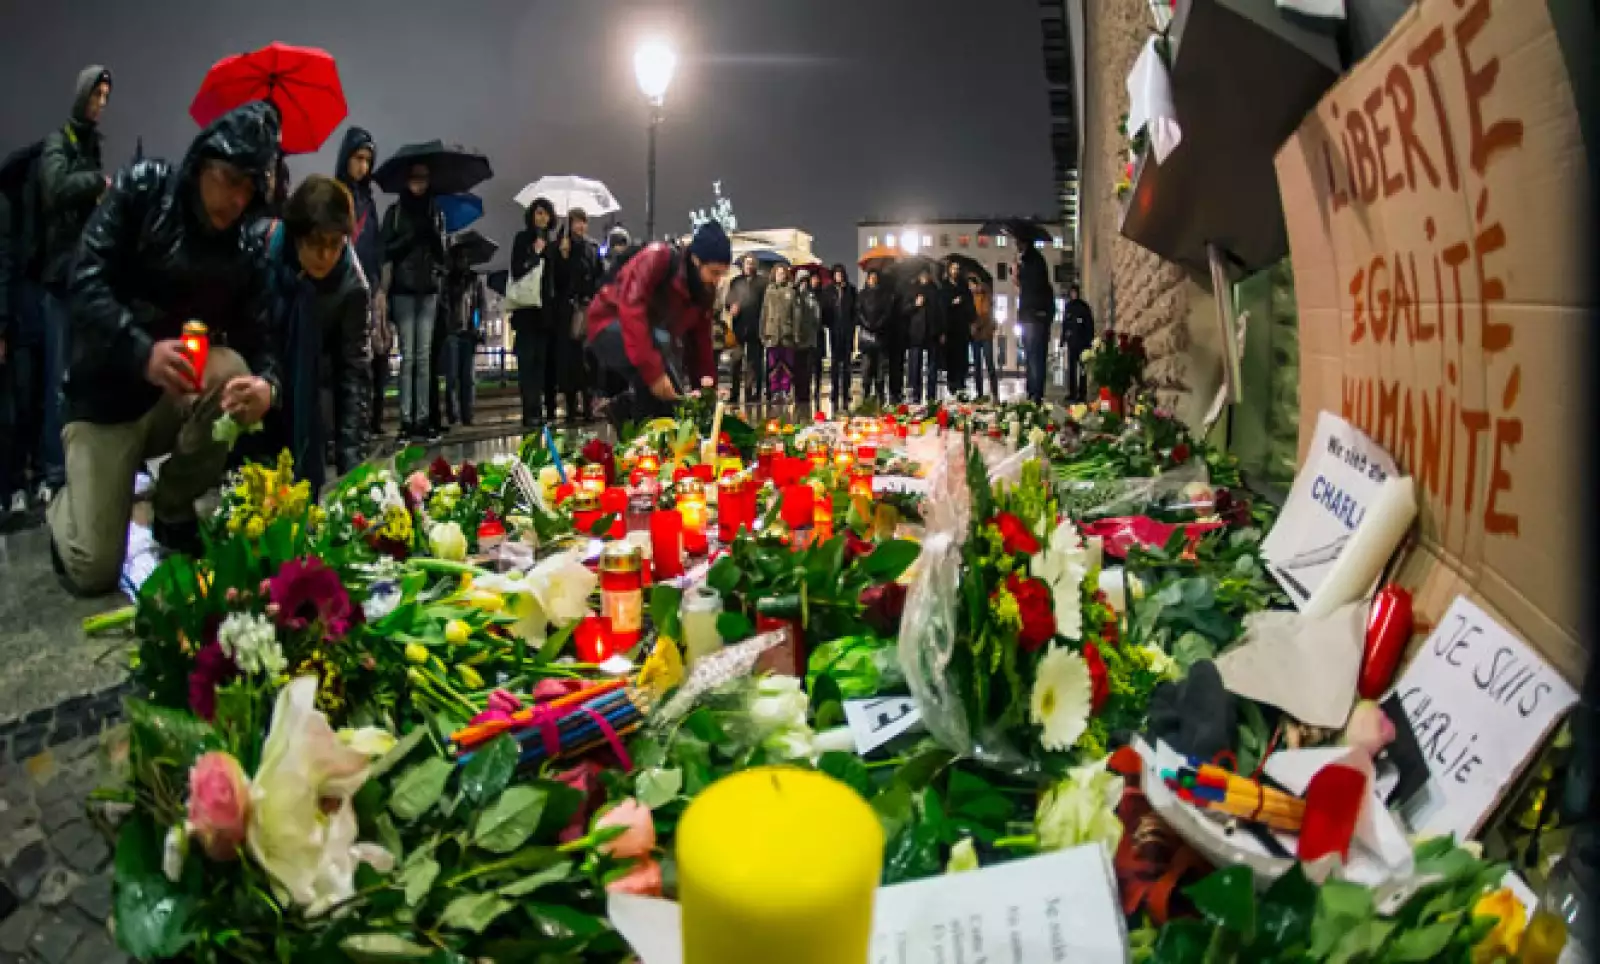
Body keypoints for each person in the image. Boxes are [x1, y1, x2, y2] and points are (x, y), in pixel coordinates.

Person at [48, 102, 281, 596]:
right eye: (226, 178)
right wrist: (141, 352)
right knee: (92, 570)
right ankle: (64, 506)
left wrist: (267, 386)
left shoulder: (243, 249)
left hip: (170, 399)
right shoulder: (142, 189)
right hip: (104, 400)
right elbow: (84, 281)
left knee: (234, 372)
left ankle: (173, 506)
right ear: (201, 163)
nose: (235, 199)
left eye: (248, 187)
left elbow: (262, 338)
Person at [256, 174, 370, 493]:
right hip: (260, 376)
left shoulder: (352, 286)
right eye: (315, 244)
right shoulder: (263, 251)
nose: (325, 257)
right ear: (295, 236)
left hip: (310, 386)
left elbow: (353, 375)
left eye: (335, 245)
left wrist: (353, 475)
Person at [34, 65, 112, 511]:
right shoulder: (58, 142)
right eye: (95, 95)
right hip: (58, 279)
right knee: (57, 379)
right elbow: (55, 187)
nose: (100, 104)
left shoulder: (92, 145)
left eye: (105, 97)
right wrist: (97, 184)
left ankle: (81, 468)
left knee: (82, 378)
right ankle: (53, 471)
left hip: (85, 277)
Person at [586, 220, 731, 423]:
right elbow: (631, 309)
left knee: (671, 390)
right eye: (714, 272)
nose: (717, 280)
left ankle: (628, 413)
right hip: (608, 324)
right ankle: (639, 423)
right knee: (661, 363)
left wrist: (707, 394)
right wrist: (655, 375)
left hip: (649, 339)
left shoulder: (703, 292)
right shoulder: (658, 257)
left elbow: (700, 345)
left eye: (722, 274)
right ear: (696, 260)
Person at [380, 161, 446, 442]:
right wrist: (408, 239)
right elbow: (385, 249)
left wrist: (432, 235)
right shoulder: (395, 213)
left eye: (424, 179)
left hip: (428, 290)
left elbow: (444, 256)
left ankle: (422, 418)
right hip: (404, 290)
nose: (419, 184)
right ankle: (406, 420)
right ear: (406, 182)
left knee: (423, 358)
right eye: (415, 179)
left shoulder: (436, 213)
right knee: (408, 358)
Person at [334, 127, 389, 440]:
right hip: (342, 286)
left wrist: (379, 285)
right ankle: (342, 429)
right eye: (358, 158)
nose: (363, 167)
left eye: (368, 160)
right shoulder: (336, 194)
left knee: (367, 361)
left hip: (367, 288)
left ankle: (365, 424)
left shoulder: (369, 201)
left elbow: (376, 245)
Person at [508, 197, 556, 427]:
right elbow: (517, 269)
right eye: (539, 213)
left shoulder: (553, 242)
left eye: (546, 213)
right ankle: (529, 411)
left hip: (545, 314)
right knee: (527, 363)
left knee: (540, 364)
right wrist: (535, 254)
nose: (543, 217)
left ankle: (540, 410)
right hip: (527, 312)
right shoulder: (522, 238)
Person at [552, 207, 602, 423]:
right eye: (576, 222)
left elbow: (599, 276)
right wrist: (563, 256)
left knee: (588, 360)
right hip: (567, 311)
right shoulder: (562, 247)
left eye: (583, 222)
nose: (580, 226)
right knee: (569, 361)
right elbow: (557, 280)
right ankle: (571, 408)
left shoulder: (591, 247)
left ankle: (589, 405)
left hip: (588, 308)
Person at [440, 245, 485, 427]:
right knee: (452, 377)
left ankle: (468, 414)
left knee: (468, 378)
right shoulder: (447, 280)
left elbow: (480, 306)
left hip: (469, 333)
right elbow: (444, 305)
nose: (463, 262)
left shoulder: (474, 280)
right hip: (452, 332)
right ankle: (454, 415)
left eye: (466, 258)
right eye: (460, 258)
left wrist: (477, 326)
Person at [724, 254, 768, 406]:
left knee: (754, 363)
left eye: (752, 263)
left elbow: (766, 305)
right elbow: (728, 301)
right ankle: (734, 393)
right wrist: (731, 307)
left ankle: (752, 393)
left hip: (756, 328)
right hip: (739, 328)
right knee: (736, 362)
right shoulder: (736, 282)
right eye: (747, 263)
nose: (750, 266)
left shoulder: (762, 282)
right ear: (743, 265)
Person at [1016, 238, 1057, 403]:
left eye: (1018, 241)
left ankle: (1035, 395)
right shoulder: (1034, 261)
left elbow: (1031, 289)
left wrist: (1019, 274)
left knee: (1034, 357)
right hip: (1034, 316)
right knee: (1033, 356)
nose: (1016, 245)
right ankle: (1034, 392)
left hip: (1033, 316)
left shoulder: (1033, 262)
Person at [761, 264, 796, 401]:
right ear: (774, 275)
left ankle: (785, 390)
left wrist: (795, 332)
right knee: (773, 365)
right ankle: (775, 390)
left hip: (787, 333)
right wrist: (762, 332)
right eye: (778, 273)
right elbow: (764, 313)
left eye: (783, 273)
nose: (780, 276)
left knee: (787, 365)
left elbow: (796, 314)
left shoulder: (791, 291)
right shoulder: (769, 292)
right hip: (772, 333)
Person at [905, 267, 941, 404]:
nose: (925, 277)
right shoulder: (913, 290)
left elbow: (940, 311)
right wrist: (915, 304)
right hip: (916, 332)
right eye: (922, 274)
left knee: (932, 367)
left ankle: (931, 396)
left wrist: (941, 330)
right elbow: (905, 310)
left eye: (927, 274)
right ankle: (916, 394)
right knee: (915, 366)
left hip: (932, 332)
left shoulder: (935, 290)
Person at [825, 264, 856, 411]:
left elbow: (855, 309)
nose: (839, 276)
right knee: (835, 364)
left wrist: (852, 325)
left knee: (847, 365)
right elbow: (825, 309)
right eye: (836, 274)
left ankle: (846, 390)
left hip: (847, 331)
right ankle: (835, 390)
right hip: (834, 331)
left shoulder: (851, 290)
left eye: (841, 274)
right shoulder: (829, 290)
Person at [856, 269, 890, 403]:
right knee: (867, 366)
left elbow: (887, 313)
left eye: (875, 277)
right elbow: (858, 311)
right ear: (867, 279)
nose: (873, 280)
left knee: (881, 367)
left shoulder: (884, 295)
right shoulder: (862, 294)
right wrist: (867, 324)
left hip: (881, 335)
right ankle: (866, 391)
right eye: (871, 278)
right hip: (866, 336)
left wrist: (878, 325)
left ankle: (880, 392)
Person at [941, 261, 973, 396]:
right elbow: (941, 307)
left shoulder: (964, 286)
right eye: (953, 268)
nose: (955, 271)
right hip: (950, 328)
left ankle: (961, 383)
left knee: (962, 357)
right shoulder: (944, 287)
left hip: (962, 328)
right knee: (951, 359)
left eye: (958, 268)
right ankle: (952, 384)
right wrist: (952, 303)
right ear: (949, 270)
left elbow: (970, 306)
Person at [1062, 283, 1095, 401]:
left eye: (1074, 292)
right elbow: (1065, 324)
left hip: (1082, 342)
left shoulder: (1084, 307)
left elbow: (1089, 324)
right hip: (1072, 343)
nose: (1073, 294)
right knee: (1072, 369)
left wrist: (1089, 340)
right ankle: (1072, 392)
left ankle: (1082, 393)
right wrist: (1063, 340)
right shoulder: (1068, 307)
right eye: (1071, 292)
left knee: (1082, 369)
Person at [969, 277, 998, 398]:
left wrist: (975, 325)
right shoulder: (970, 298)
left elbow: (986, 314)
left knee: (989, 363)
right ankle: (979, 393)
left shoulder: (986, 296)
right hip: (975, 336)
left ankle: (995, 393)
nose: (970, 287)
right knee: (977, 366)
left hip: (985, 334)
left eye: (971, 285)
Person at [799, 270, 824, 408]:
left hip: (810, 337)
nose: (804, 283)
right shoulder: (795, 296)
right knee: (799, 367)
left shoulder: (812, 297)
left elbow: (817, 317)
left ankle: (808, 391)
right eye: (801, 281)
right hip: (797, 338)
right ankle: (799, 391)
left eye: (805, 281)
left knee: (809, 366)